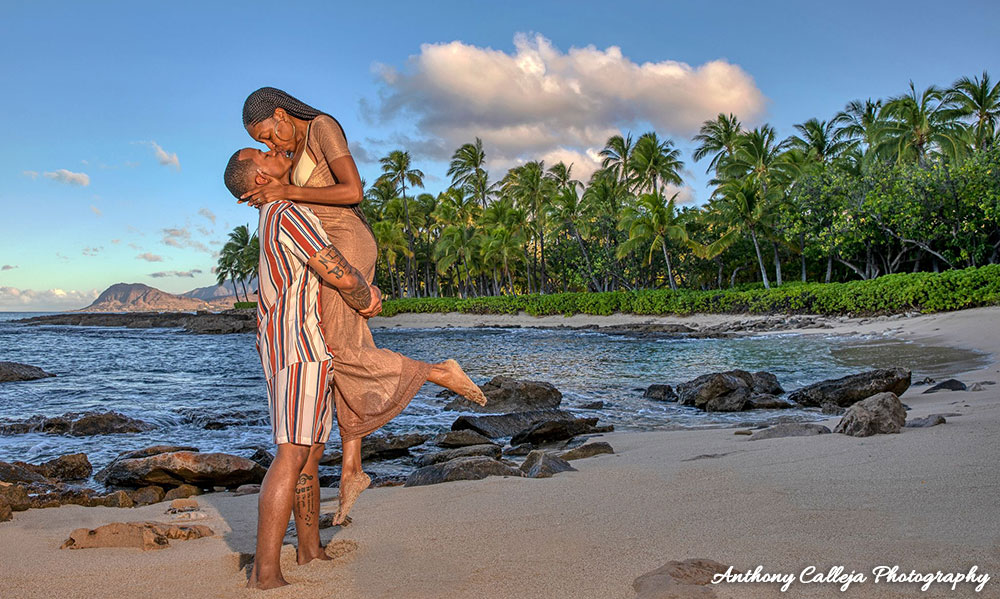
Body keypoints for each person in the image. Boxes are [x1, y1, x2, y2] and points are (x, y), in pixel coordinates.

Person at [238, 87, 487, 525]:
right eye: (264, 145)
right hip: (328, 248)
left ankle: (438, 372)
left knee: (338, 350)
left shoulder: (322, 127)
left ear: (281, 114)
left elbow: (353, 190)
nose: (270, 146)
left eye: (268, 135)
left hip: (345, 243)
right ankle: (351, 466)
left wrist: (287, 192)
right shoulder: (290, 155)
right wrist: (272, 192)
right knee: (339, 350)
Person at [223, 148, 380, 589]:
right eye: (263, 153)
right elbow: (340, 273)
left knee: (310, 451)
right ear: (258, 177)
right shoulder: (286, 212)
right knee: (292, 452)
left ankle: (309, 550)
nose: (275, 152)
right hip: (300, 346)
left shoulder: (271, 216)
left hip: (288, 346)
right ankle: (265, 573)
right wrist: (368, 296)